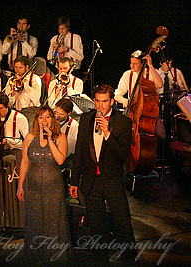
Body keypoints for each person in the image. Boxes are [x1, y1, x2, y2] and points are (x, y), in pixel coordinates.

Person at [70, 84, 137, 265]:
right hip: (92, 181)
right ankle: (101, 260)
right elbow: (80, 151)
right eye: (97, 101)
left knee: (122, 223)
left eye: (104, 102)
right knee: (97, 226)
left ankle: (129, 260)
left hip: (112, 181)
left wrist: (107, 132)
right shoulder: (86, 119)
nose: (100, 106)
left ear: (112, 102)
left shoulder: (123, 122)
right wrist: (74, 180)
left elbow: (122, 155)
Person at [16, 105, 70, 264]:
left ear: (52, 119)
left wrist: (50, 139)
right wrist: (20, 185)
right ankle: (36, 255)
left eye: (47, 117)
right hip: (33, 187)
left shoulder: (60, 137)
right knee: (35, 220)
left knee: (53, 221)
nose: (44, 120)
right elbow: (25, 162)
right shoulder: (29, 137)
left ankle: (54, 256)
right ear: (37, 119)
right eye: (41, 117)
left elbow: (60, 160)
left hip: (53, 187)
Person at [4, 55, 41, 127]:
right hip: (16, 111)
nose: (17, 70)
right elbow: (9, 104)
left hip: (31, 111)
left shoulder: (35, 79)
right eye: (16, 67)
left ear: (26, 67)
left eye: (20, 68)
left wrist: (24, 85)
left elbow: (36, 99)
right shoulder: (11, 80)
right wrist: (12, 95)